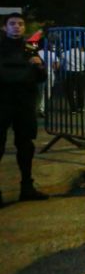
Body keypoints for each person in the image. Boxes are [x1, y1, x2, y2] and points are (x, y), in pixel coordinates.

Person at [0, 13, 49, 208]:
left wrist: (39, 68)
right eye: (12, 24)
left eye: (20, 24)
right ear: (5, 27)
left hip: (24, 104)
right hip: (2, 103)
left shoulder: (30, 50)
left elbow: (41, 78)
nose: (17, 27)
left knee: (26, 146)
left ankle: (27, 187)